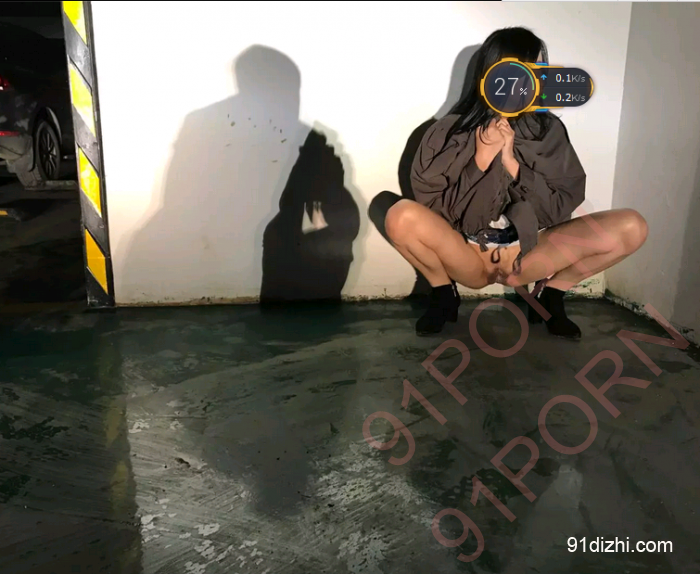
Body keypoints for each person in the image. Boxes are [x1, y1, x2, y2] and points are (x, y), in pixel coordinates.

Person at [385, 27, 648, 338]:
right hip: (467, 253)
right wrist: (481, 158)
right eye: (524, 71)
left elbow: (558, 208)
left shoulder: (547, 131)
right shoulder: (447, 132)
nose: (532, 81)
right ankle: (443, 293)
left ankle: (551, 295)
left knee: (632, 227)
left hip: (530, 252)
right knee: (399, 215)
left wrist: (513, 165)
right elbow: (438, 212)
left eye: (538, 71)